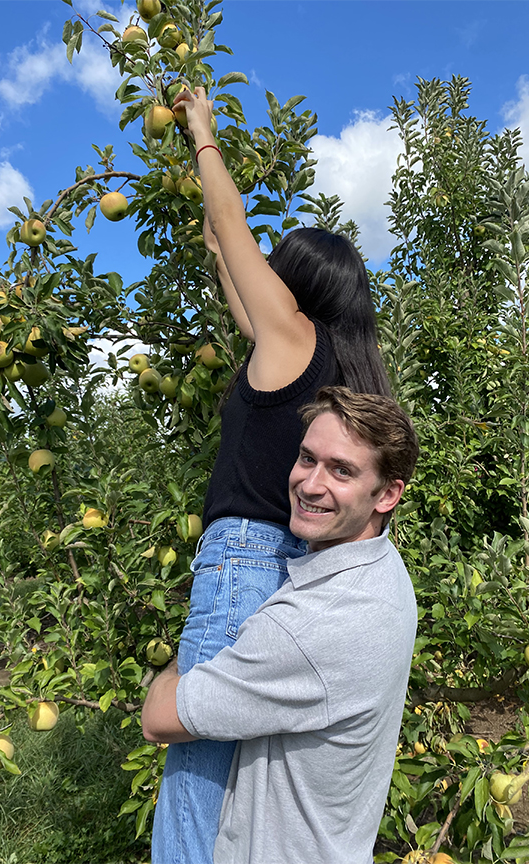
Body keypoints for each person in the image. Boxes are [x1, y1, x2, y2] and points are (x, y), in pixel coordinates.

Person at [151, 85, 392, 864]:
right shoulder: (321, 364)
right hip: (276, 567)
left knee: (192, 785)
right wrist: (217, 240)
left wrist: (203, 136)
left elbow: (233, 232)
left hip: (239, 565)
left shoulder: (292, 337)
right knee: (224, 784)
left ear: (295, 285)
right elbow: (228, 255)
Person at [142, 386, 419, 864]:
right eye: (307, 458)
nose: (311, 484)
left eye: (342, 470)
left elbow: (157, 719)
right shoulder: (386, 575)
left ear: (387, 494)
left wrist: (195, 651)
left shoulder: (310, 627)